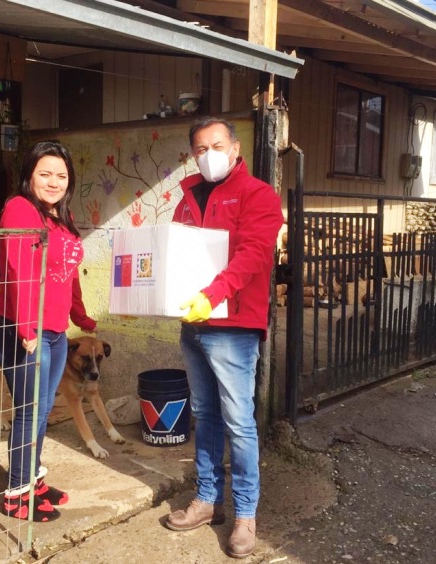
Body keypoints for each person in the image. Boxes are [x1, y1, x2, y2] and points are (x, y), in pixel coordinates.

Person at [165, 117, 284, 558]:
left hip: (233, 327)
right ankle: (207, 501)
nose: (207, 153)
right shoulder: (187, 196)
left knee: (239, 421)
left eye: (216, 144)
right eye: (199, 148)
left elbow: (255, 254)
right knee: (205, 415)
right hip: (193, 325)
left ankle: (246, 514)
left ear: (235, 148)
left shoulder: (258, 195)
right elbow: (175, 254)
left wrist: (212, 294)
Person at [0, 141, 97, 522]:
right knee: (29, 412)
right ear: (29, 175)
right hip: (22, 328)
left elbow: (68, 275)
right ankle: (16, 494)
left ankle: (32, 479)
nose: (53, 182)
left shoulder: (61, 219)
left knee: (43, 410)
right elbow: (19, 270)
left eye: (61, 176)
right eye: (45, 174)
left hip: (53, 329)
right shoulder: (19, 208)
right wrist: (26, 327)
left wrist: (81, 317)